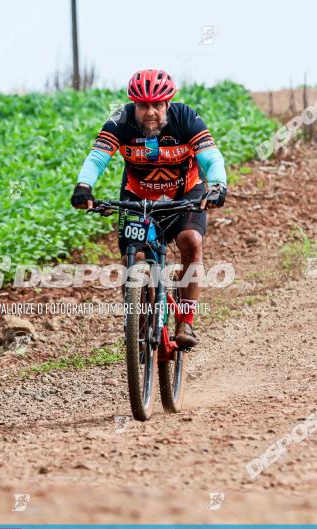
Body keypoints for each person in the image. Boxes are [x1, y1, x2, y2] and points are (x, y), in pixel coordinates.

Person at [70, 68, 227, 349]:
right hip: (136, 197)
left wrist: (216, 185)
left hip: (185, 195)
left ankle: (186, 323)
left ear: (168, 103)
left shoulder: (186, 118)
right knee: (134, 258)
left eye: (157, 105)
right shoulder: (120, 120)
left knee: (191, 241)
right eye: (143, 105)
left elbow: (211, 157)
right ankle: (138, 327)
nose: (150, 112)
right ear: (134, 105)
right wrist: (84, 186)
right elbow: (97, 158)